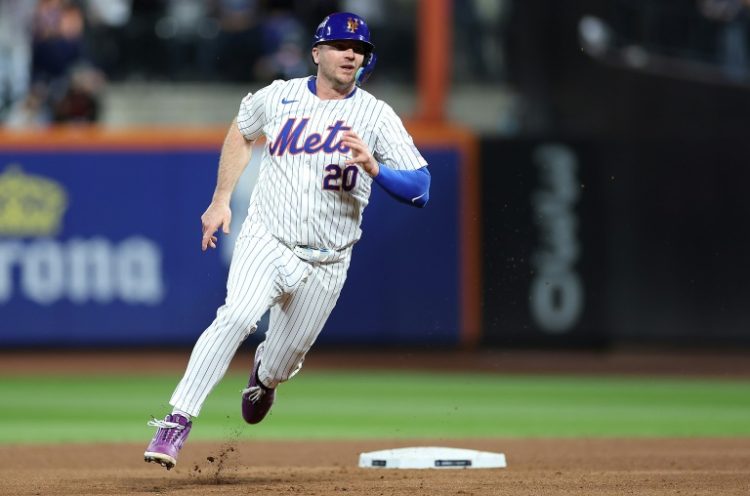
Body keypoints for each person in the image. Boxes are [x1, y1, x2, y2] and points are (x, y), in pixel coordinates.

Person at [144, 11, 431, 470]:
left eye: (358, 50)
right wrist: (220, 200)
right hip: (268, 239)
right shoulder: (279, 97)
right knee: (236, 315)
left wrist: (376, 169)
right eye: (340, 45)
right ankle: (177, 420)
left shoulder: (376, 116)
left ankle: (265, 376)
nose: (350, 54)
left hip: (329, 260)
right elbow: (242, 128)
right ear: (316, 52)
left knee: (281, 363)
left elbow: (421, 188)